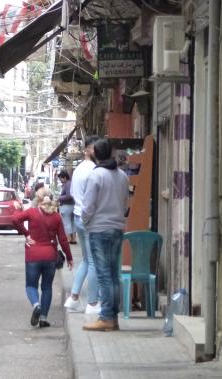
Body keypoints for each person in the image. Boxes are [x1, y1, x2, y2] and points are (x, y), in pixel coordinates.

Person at [81, 138, 130, 331]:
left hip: (99, 230)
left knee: (104, 275)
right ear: (111, 153)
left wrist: (86, 223)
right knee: (113, 274)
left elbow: (87, 206)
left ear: (95, 155)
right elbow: (126, 201)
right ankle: (113, 317)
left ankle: (106, 317)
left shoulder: (96, 176)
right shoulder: (122, 176)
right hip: (117, 228)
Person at [11, 192, 73, 328]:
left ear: (38, 201)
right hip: (50, 256)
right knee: (46, 287)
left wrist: (26, 234)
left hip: (33, 255)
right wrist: (69, 257)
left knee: (31, 286)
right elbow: (63, 239)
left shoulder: (32, 212)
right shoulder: (56, 217)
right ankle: (43, 318)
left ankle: (36, 304)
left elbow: (15, 220)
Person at [64, 135, 101, 314]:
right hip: (88, 219)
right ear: (87, 150)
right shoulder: (93, 170)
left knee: (87, 261)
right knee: (93, 262)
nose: (97, 151)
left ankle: (74, 298)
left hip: (78, 217)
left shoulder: (78, 169)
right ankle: (93, 303)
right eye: (95, 148)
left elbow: (72, 192)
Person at [57, 171, 76, 243]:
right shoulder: (71, 183)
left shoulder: (67, 184)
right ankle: (73, 239)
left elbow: (69, 195)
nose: (60, 181)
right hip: (73, 205)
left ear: (64, 177)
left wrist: (59, 198)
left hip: (67, 206)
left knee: (66, 222)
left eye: (60, 179)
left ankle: (68, 238)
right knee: (73, 222)